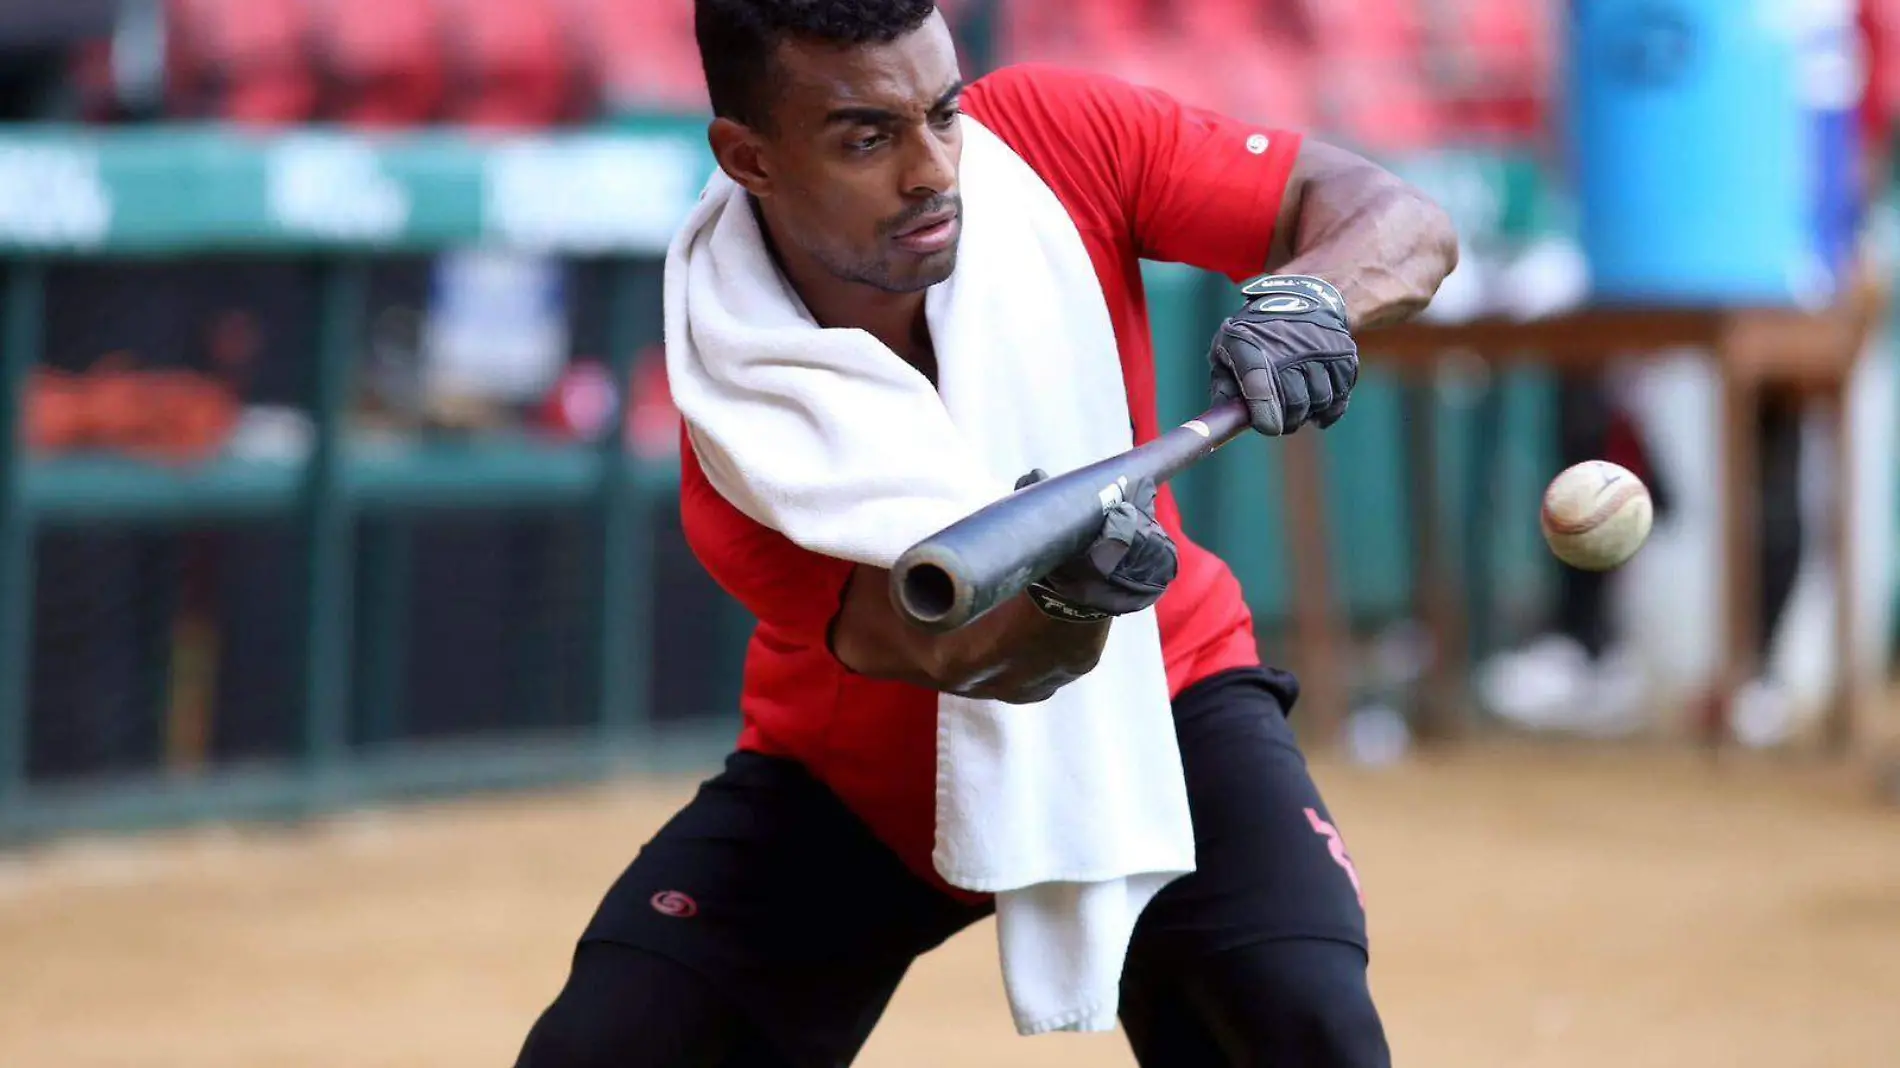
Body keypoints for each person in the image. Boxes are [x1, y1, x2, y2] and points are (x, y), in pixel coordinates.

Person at [514, 3, 1456, 1066]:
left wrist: (1316, 296)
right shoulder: (737, 429)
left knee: (1308, 1027)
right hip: (850, 787)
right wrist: (1068, 595)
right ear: (750, 157)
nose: (933, 170)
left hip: (1164, 696)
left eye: (942, 111)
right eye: (866, 137)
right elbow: (966, 653)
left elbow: (1395, 218)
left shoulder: (1054, 139)